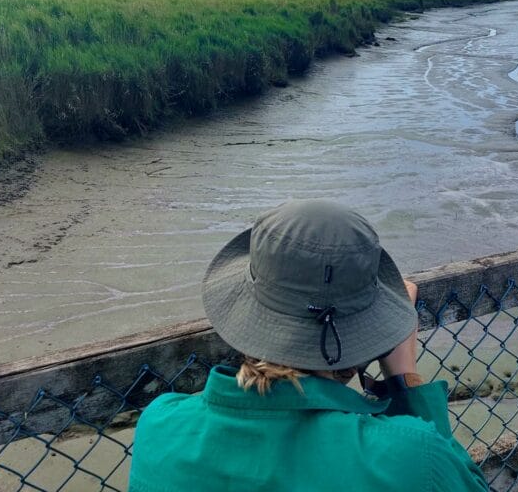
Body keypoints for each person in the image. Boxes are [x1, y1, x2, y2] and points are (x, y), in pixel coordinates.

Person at [128, 200, 489, 491]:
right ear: (371, 332)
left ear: (246, 311)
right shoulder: (411, 455)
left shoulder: (159, 428)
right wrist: (404, 377)